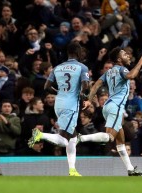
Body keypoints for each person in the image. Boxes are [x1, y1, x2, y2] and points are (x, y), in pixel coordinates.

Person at [79, 47, 142, 176]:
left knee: (120, 141)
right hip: (115, 107)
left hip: (108, 106)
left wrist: (88, 100)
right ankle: (80, 138)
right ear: (119, 59)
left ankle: (130, 169)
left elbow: (97, 84)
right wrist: (139, 63)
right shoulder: (122, 69)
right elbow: (131, 75)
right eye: (124, 54)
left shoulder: (108, 72)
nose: (127, 56)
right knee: (109, 138)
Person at [27, 42, 89, 176]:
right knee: (64, 139)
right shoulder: (82, 67)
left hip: (59, 103)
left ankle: (72, 169)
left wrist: (60, 92)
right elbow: (85, 85)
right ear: (78, 52)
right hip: (71, 105)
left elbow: (47, 87)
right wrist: (82, 96)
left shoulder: (57, 68)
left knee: (73, 137)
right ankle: (39, 135)